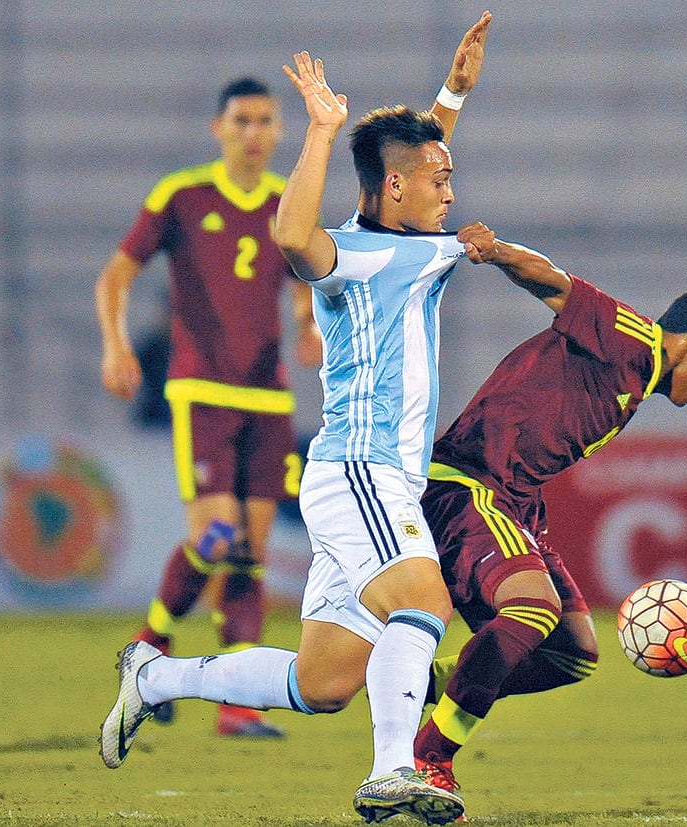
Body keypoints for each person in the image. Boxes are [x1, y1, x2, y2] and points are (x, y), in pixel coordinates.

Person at [101, 12, 493, 826]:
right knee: (423, 599)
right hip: (358, 473)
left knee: (321, 683)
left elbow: (411, 160)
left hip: (372, 480)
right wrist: (320, 130)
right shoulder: (348, 254)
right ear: (396, 188)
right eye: (439, 181)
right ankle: (392, 771)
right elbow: (289, 232)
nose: (450, 191)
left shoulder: (412, 231)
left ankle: (155, 675)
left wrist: (452, 93)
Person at [409, 229, 687, 796]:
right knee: (530, 610)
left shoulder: (637, 379)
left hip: (514, 505)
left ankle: (412, 680)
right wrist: (496, 250)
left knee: (570, 654)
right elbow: (553, 282)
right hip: (467, 486)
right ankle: (431, 758)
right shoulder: (632, 339)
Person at [95, 75, 322, 739]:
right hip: (201, 390)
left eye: (264, 122)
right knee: (215, 537)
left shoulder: (287, 201)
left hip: (267, 392)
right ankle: (152, 643)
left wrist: (307, 322)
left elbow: (304, 277)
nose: (254, 133)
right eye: (242, 121)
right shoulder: (182, 195)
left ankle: (235, 703)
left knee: (249, 552)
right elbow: (115, 275)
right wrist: (115, 345)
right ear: (219, 128)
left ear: (278, 131)